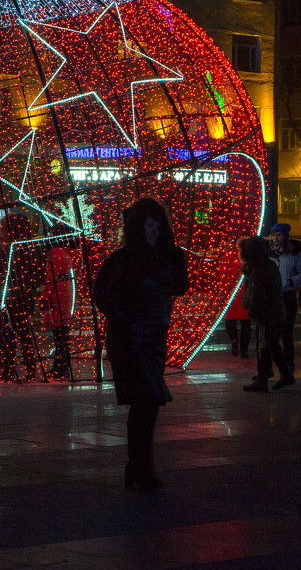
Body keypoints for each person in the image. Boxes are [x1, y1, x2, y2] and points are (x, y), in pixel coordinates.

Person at [93, 197, 188, 491]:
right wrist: (127, 317)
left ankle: (137, 467)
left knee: (147, 404)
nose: (154, 232)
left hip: (153, 340)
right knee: (147, 400)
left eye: (158, 226)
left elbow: (179, 286)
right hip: (130, 340)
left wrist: (173, 257)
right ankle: (141, 469)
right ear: (137, 227)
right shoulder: (122, 259)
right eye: (149, 226)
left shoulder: (160, 258)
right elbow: (102, 294)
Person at [240, 235, 291, 391]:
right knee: (272, 345)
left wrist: (253, 311)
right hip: (275, 314)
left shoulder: (261, 270)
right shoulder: (266, 265)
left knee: (263, 346)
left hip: (266, 316)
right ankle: (284, 374)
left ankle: (263, 380)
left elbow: (258, 294)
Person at [0, 212, 45, 381]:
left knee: (16, 332)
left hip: (18, 295)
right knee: (18, 332)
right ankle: (21, 368)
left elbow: (19, 273)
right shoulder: (26, 245)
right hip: (22, 293)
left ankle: (15, 369)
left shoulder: (18, 247)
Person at [268, 223, 301, 370]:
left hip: (287, 296)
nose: (276, 238)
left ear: (285, 236)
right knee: (271, 334)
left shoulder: (293, 254)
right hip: (272, 298)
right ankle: (273, 365)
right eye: (274, 235)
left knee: (286, 333)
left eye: (279, 235)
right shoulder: (270, 254)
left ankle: (288, 363)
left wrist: (292, 281)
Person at [41, 227, 78, 380]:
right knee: (63, 333)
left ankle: (60, 366)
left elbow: (52, 276)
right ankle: (63, 365)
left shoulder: (55, 252)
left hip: (57, 292)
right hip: (66, 290)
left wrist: (45, 296)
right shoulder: (68, 251)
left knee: (59, 334)